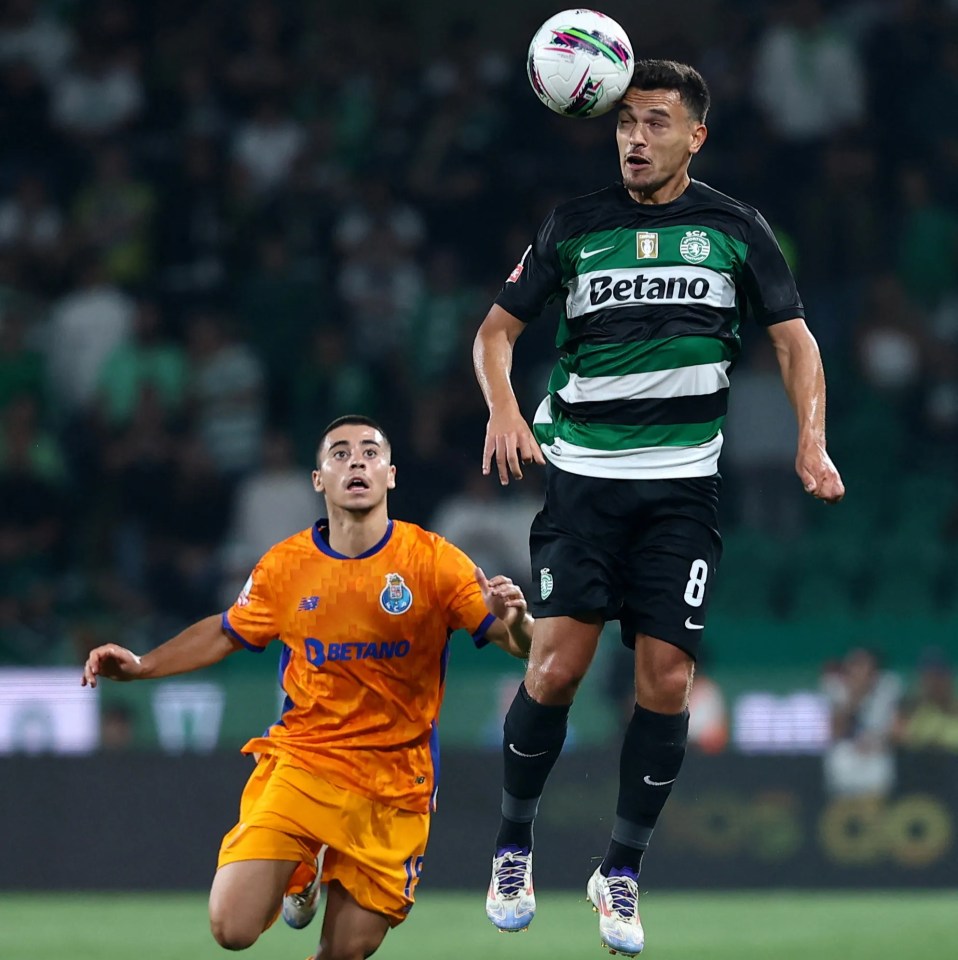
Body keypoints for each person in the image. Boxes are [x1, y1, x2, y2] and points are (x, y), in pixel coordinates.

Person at [473, 59, 845, 956]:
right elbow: (496, 333)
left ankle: (621, 872)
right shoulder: (574, 226)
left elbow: (795, 342)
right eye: (625, 122)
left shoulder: (735, 228)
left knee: (667, 682)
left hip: (682, 488)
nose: (635, 138)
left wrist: (811, 436)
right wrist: (505, 409)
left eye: (655, 123)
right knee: (556, 670)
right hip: (584, 483)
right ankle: (513, 846)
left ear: (694, 136)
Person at [81, 414, 533, 960]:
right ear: (319, 479)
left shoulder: (433, 561)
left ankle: (311, 874)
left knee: (342, 953)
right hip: (306, 764)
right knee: (231, 927)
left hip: (395, 784)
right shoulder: (286, 566)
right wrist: (142, 665)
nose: (356, 461)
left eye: (370, 452)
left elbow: (522, 648)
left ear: (391, 474)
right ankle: (302, 872)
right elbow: (228, 631)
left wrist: (515, 621)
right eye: (339, 454)